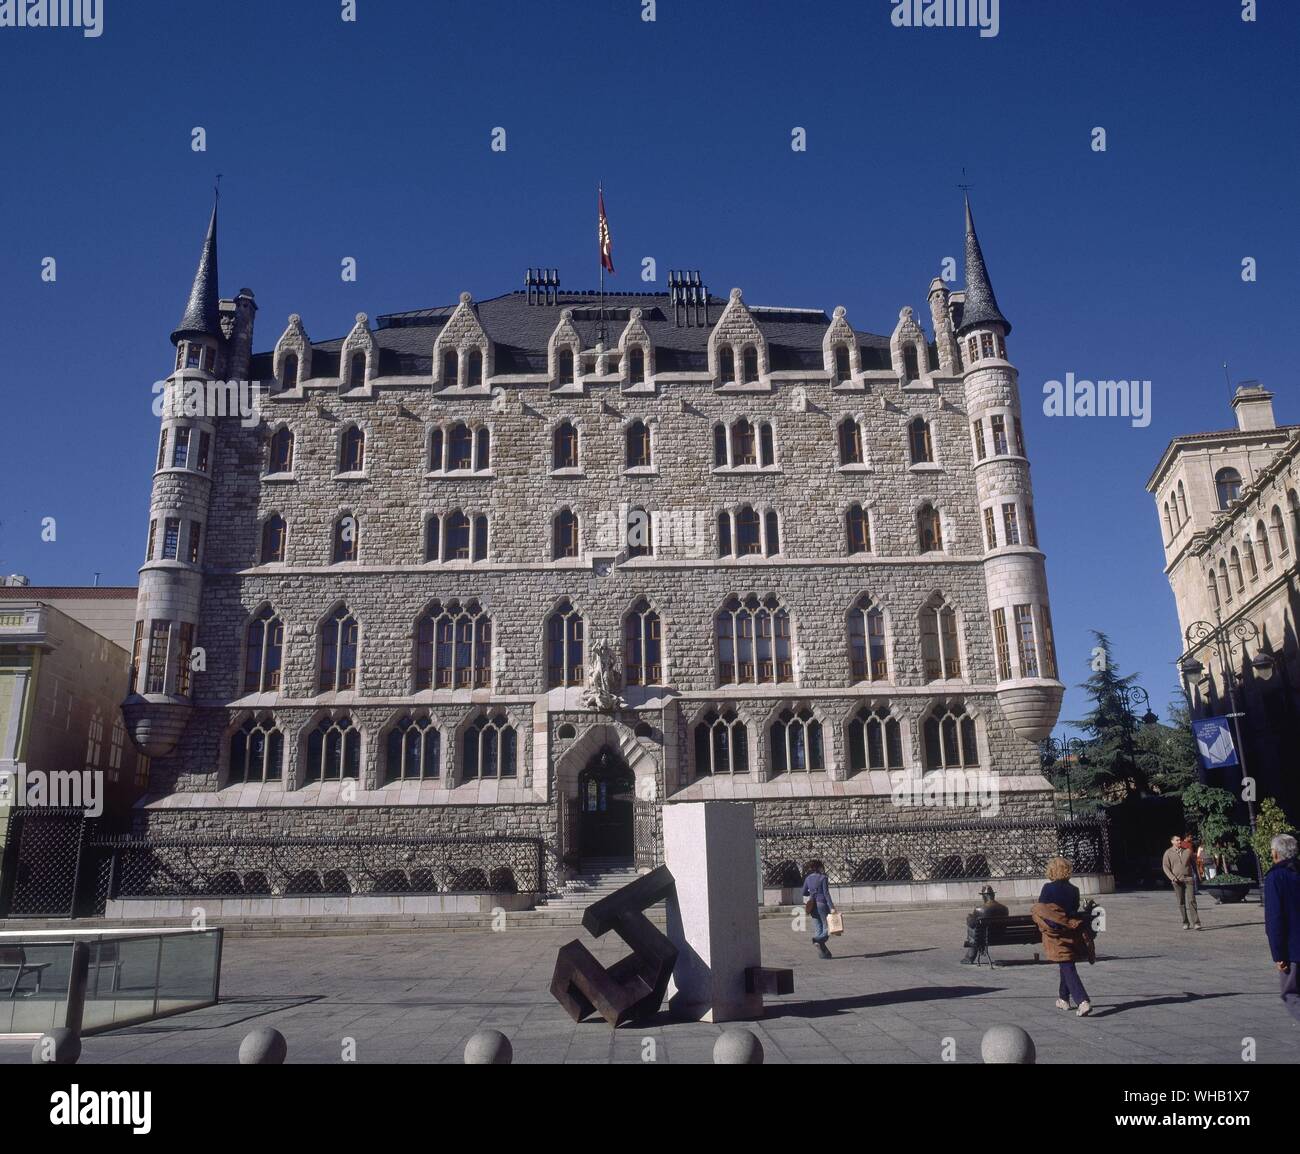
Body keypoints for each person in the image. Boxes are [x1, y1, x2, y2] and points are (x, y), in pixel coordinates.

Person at [1032, 857, 1094, 1017]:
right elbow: (1072, 909)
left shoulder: (1047, 888)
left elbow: (1043, 910)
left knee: (1067, 965)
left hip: (1055, 932)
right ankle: (1063, 998)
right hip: (1071, 930)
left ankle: (1082, 1000)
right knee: (1065, 962)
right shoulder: (1074, 889)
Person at [1263, 833, 1300, 1025]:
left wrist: (1278, 955)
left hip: (1292, 949)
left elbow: (1275, 918)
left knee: (1291, 994)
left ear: (1276, 853)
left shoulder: (1275, 877)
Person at [1162, 833, 1202, 929]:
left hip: (1188, 879)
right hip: (1176, 880)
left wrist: (1198, 875)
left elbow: (1194, 864)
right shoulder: (1168, 853)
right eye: (1177, 840)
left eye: (1180, 840)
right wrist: (1172, 877)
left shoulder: (1187, 851)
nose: (1179, 842)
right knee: (1181, 902)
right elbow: (1165, 867)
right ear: (1172, 842)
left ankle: (1196, 923)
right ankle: (1185, 922)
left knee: (1192, 900)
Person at [801, 859, 836, 959]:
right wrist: (832, 907)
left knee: (818, 927)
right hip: (822, 904)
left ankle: (823, 954)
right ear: (820, 867)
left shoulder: (808, 878)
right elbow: (826, 894)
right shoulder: (823, 878)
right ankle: (817, 939)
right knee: (828, 927)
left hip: (812, 904)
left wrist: (811, 892)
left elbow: (804, 892)